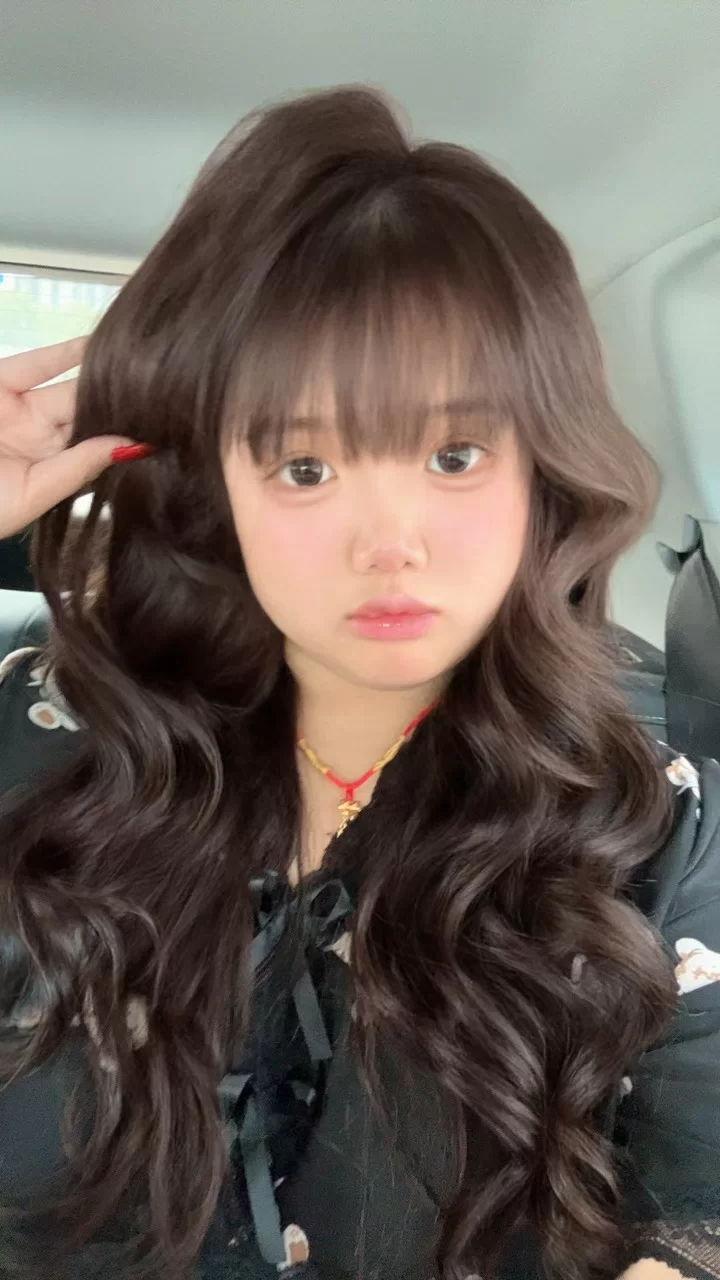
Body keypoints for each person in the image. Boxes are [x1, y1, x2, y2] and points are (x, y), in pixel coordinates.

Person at [0, 85, 718, 1280]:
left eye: (453, 453)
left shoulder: (658, 818)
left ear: (541, 468)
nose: (390, 543)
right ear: (218, 487)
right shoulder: (47, 731)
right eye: (304, 465)